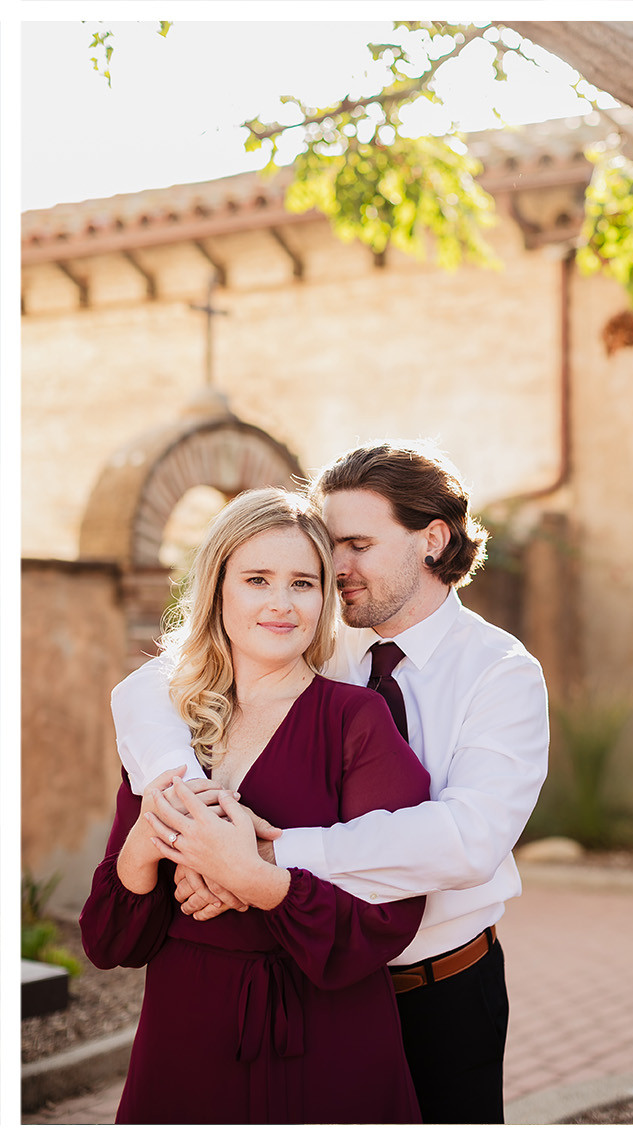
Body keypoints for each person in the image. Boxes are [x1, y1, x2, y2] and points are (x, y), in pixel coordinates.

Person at [110, 441, 550, 1123]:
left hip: (440, 988)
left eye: (356, 544)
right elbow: (150, 687)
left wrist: (258, 857)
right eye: (328, 544)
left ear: (431, 540)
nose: (333, 566)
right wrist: (190, 808)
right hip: (321, 987)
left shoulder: (501, 671)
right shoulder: (315, 635)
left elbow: (467, 840)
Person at [83, 488, 433, 1123]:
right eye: (256, 580)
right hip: (186, 1033)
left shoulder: (357, 719)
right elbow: (109, 942)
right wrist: (149, 842)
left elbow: (391, 913)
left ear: (325, 598)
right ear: (219, 590)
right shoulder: (173, 726)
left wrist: (253, 879)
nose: (280, 603)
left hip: (326, 1035)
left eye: (302, 582)